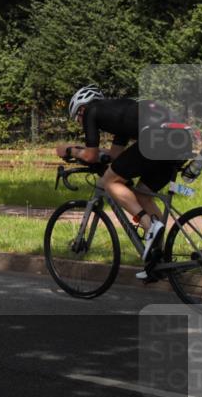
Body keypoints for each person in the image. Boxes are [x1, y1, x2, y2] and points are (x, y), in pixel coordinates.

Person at [55, 85, 189, 277]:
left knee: (110, 183)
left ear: (81, 108)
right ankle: (158, 259)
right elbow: (115, 157)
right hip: (179, 139)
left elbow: (91, 155)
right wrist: (93, 155)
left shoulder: (91, 111)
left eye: (77, 117)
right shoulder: (121, 113)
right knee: (142, 195)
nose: (80, 121)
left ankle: (149, 227)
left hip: (157, 138)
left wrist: (69, 150)